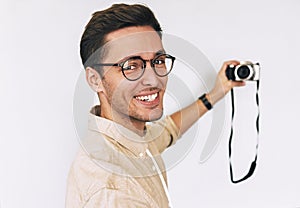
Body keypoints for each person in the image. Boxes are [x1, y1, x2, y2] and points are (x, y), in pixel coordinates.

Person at [66, 3, 245, 208]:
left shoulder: (131, 137)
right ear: (94, 79)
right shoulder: (111, 191)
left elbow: (168, 131)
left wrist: (216, 93)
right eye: (131, 66)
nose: (153, 80)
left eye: (158, 61)